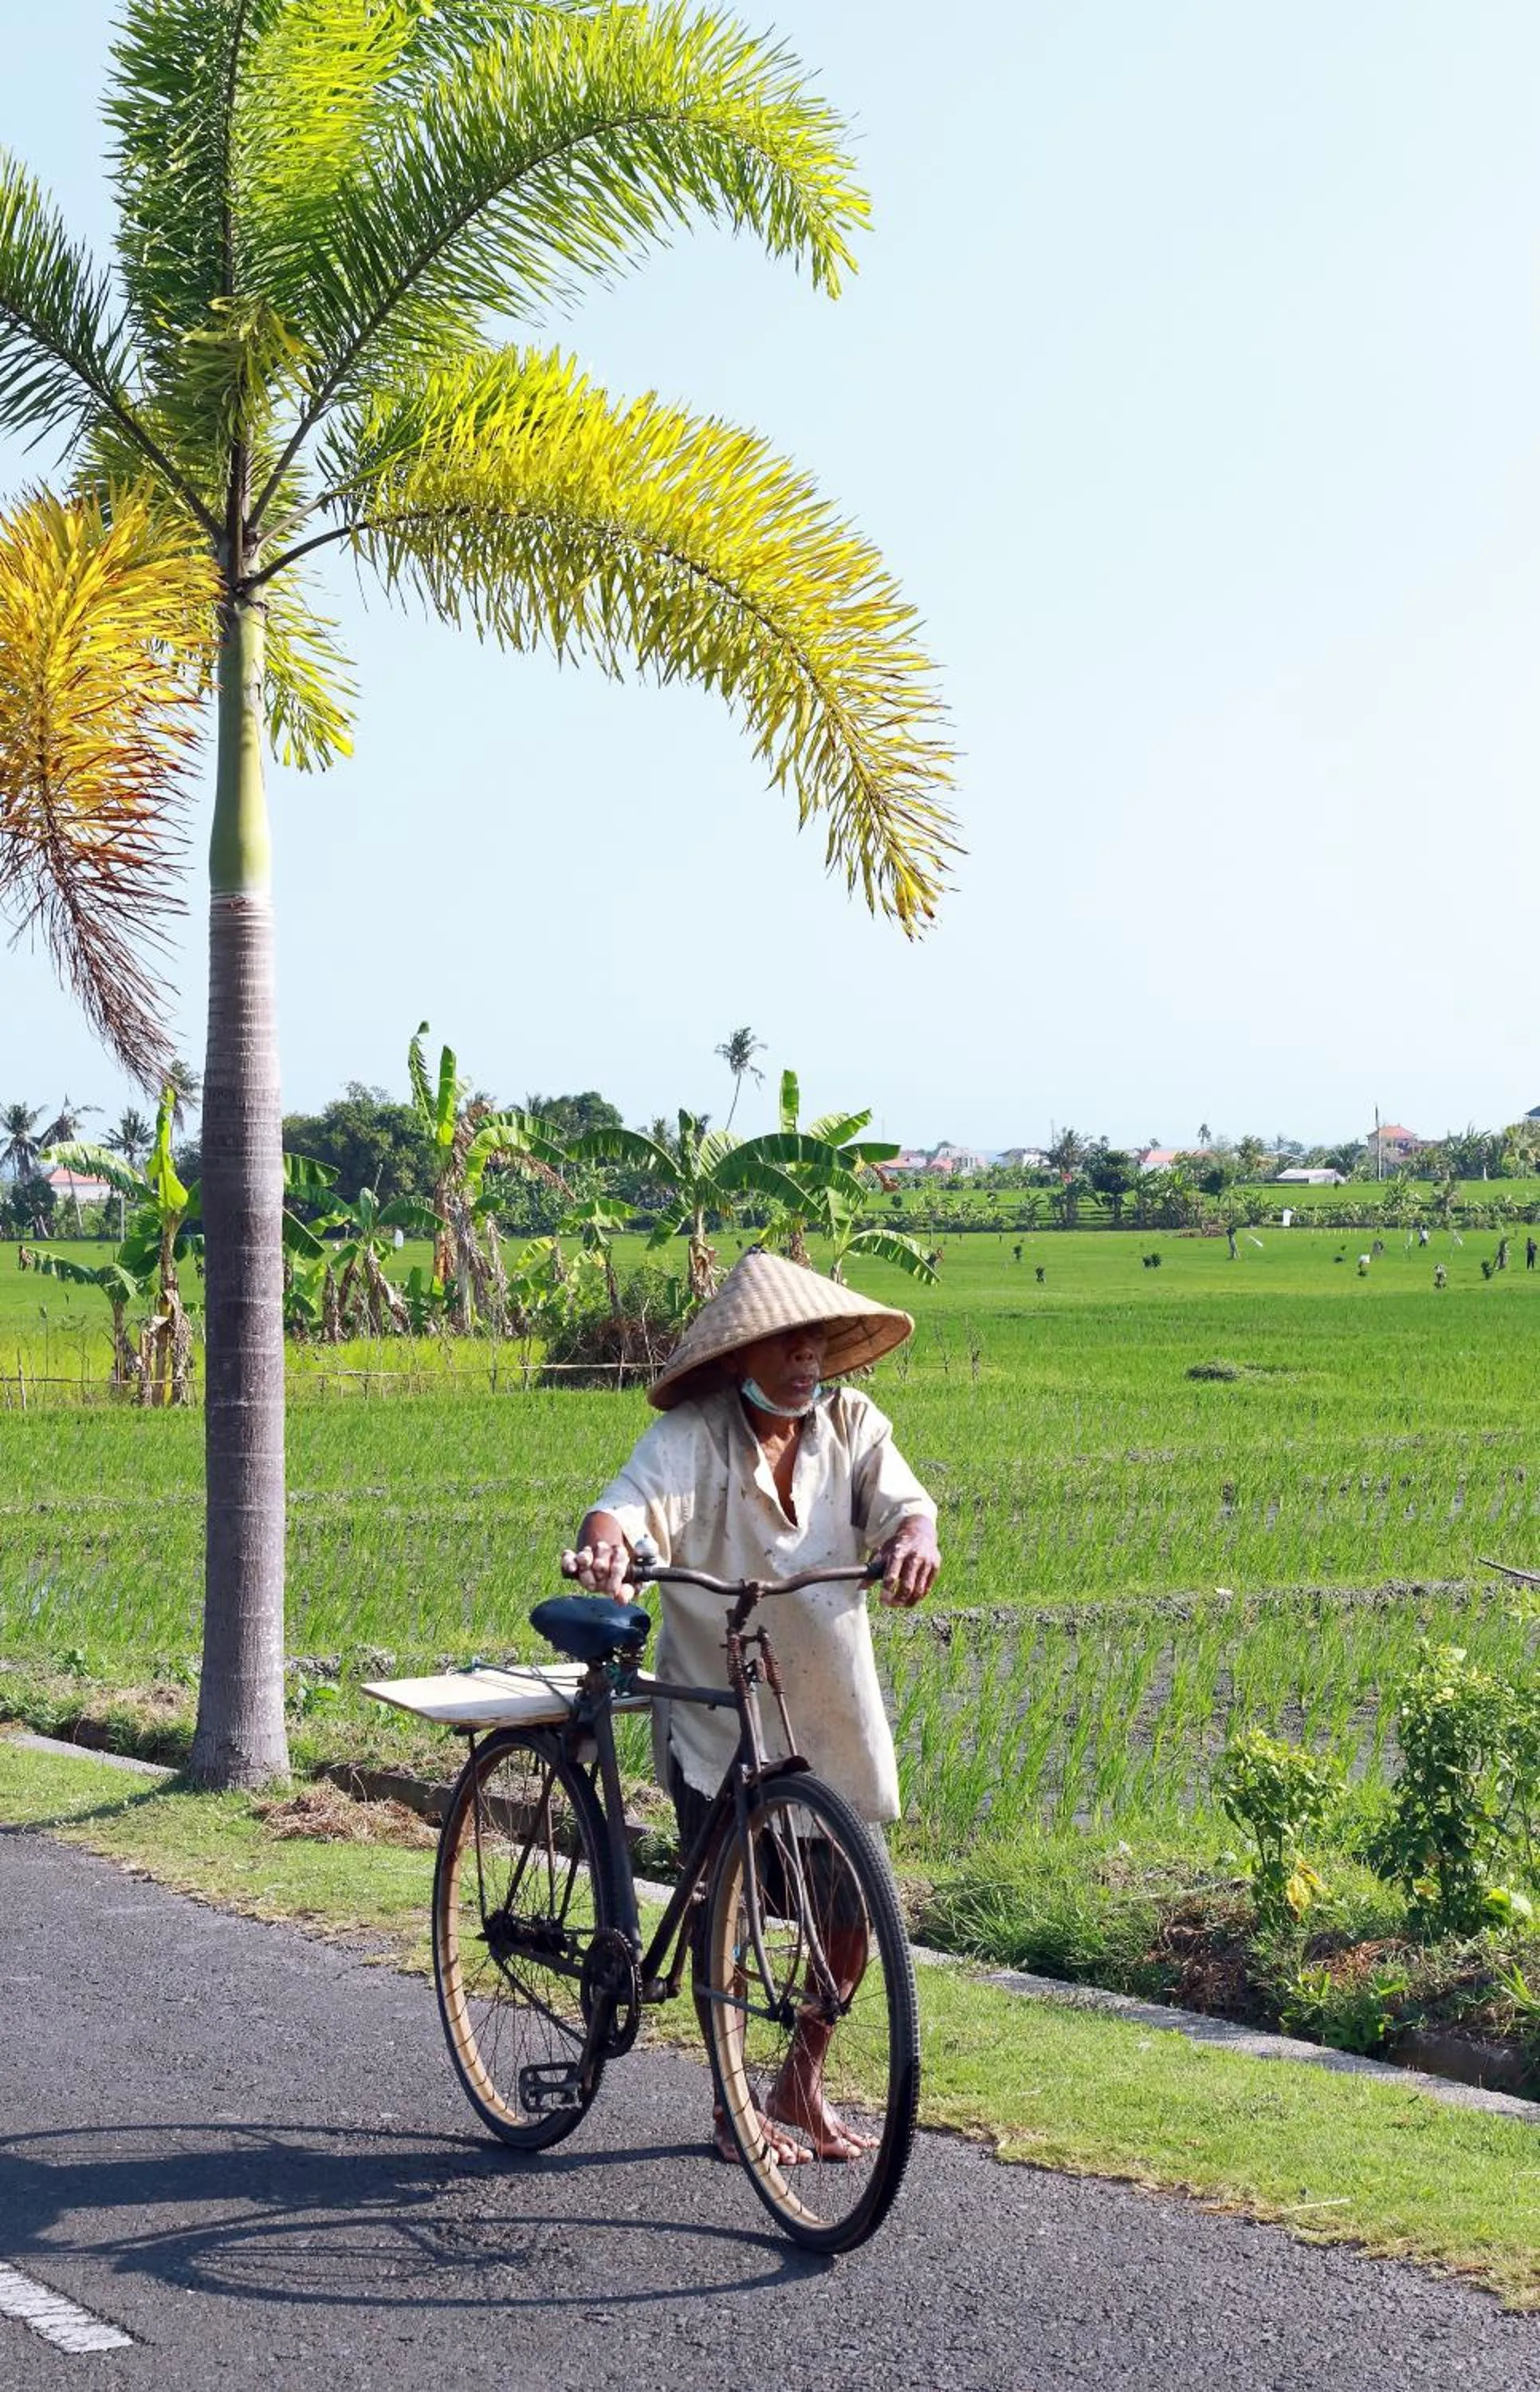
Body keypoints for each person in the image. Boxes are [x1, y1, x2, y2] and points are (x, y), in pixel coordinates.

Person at [563, 1247, 940, 2166]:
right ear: (741, 1355)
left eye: (814, 1341)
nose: (806, 1358)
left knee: (851, 1919)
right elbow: (622, 1510)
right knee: (724, 1914)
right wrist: (607, 1551)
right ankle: (733, 2108)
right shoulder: (693, 1436)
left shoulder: (851, 1422)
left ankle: (797, 2086)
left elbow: (907, 1506)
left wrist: (913, 1542)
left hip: (825, 1709)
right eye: (785, 1343)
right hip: (719, 1708)